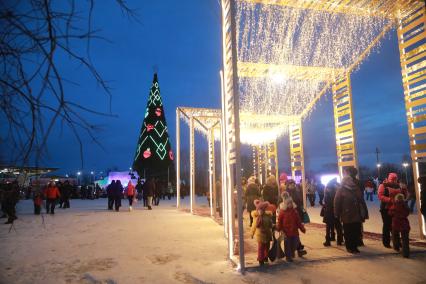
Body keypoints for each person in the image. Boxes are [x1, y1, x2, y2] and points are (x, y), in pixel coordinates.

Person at [334, 167, 368, 254]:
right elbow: (337, 202)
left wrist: (364, 211)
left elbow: (361, 200)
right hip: (347, 214)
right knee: (348, 231)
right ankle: (349, 246)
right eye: (348, 180)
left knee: (356, 230)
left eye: (350, 180)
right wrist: (337, 213)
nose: (350, 182)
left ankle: (355, 246)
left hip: (356, 213)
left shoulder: (356, 188)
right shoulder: (341, 189)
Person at [378, 173, 406, 248]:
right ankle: (386, 242)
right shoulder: (383, 185)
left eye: (395, 179)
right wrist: (390, 200)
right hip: (385, 208)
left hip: (396, 208)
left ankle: (397, 242)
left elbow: (403, 196)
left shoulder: (398, 186)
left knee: (396, 226)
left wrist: (404, 190)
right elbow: (380, 196)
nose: (394, 181)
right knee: (387, 225)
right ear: (389, 179)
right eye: (392, 179)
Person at [277, 196, 306, 262]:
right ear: (286, 204)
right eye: (288, 203)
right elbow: (279, 221)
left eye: (291, 203)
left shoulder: (295, 212)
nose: (290, 204)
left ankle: (292, 252)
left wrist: (302, 228)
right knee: (287, 244)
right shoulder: (282, 212)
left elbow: (298, 221)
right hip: (286, 232)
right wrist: (279, 228)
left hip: (294, 231)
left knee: (295, 243)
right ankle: (288, 256)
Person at [251, 200, 273, 266]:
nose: (260, 211)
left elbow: (270, 224)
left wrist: (273, 227)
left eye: (261, 210)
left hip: (267, 235)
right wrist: (252, 233)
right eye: (259, 210)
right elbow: (254, 226)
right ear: (257, 210)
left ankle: (266, 257)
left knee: (267, 247)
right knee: (261, 248)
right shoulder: (256, 218)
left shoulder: (267, 217)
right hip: (260, 236)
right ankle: (261, 259)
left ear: (263, 210)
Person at [322, 178, 343, 246]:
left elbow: (326, 201)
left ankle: (328, 241)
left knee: (328, 226)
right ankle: (339, 240)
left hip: (329, 211)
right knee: (338, 225)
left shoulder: (327, 189)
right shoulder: (337, 189)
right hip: (336, 210)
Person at [389, 193, 410, 258]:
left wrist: (394, 214)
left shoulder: (395, 204)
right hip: (404, 222)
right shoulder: (405, 204)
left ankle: (396, 247)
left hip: (396, 222)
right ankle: (406, 253)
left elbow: (390, 212)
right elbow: (407, 212)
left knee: (395, 235)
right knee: (405, 238)